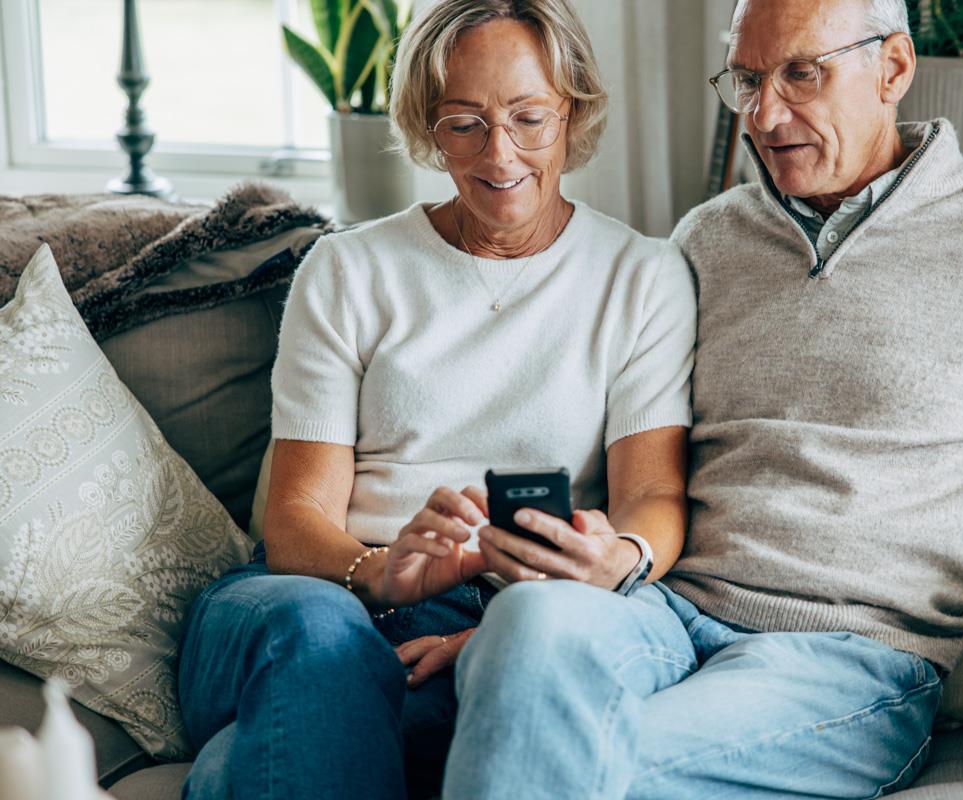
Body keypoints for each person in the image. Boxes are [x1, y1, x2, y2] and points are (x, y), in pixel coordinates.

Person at [438, 0, 963, 798]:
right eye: (747, 80)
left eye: (801, 73)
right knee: (522, 634)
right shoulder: (705, 240)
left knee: (602, 764)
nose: (764, 115)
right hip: (661, 613)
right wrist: (513, 653)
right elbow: (635, 457)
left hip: (851, 663)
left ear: (894, 69)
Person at [173, 1, 696, 797]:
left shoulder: (642, 278)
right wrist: (382, 572)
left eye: (529, 118)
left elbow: (654, 497)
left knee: (227, 773)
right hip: (313, 599)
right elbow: (293, 524)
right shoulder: (347, 269)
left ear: (573, 112)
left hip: (488, 626)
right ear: (427, 124)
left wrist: (546, 609)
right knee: (322, 637)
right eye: (464, 123)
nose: (500, 154)